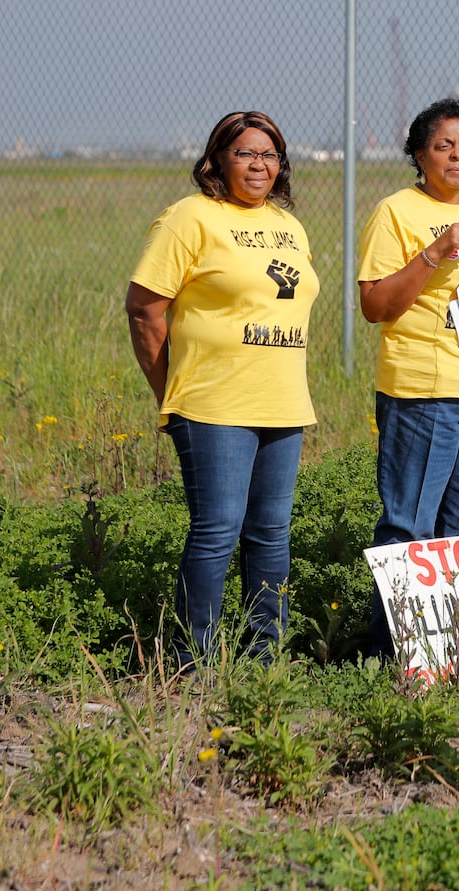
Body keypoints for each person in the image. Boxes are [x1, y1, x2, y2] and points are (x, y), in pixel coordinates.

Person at [125, 110, 318, 669]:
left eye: (270, 155)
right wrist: (173, 391)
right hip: (213, 405)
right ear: (215, 160)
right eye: (245, 153)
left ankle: (264, 662)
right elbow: (144, 310)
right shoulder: (189, 219)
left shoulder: (290, 225)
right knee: (216, 532)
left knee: (272, 535)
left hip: (282, 403)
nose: (259, 164)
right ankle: (194, 664)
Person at [357, 97, 459, 656]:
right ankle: (389, 657)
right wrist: (433, 252)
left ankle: (452, 658)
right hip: (424, 391)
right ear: (418, 153)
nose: (457, 155)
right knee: (410, 526)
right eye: (444, 145)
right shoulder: (396, 211)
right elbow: (376, 305)